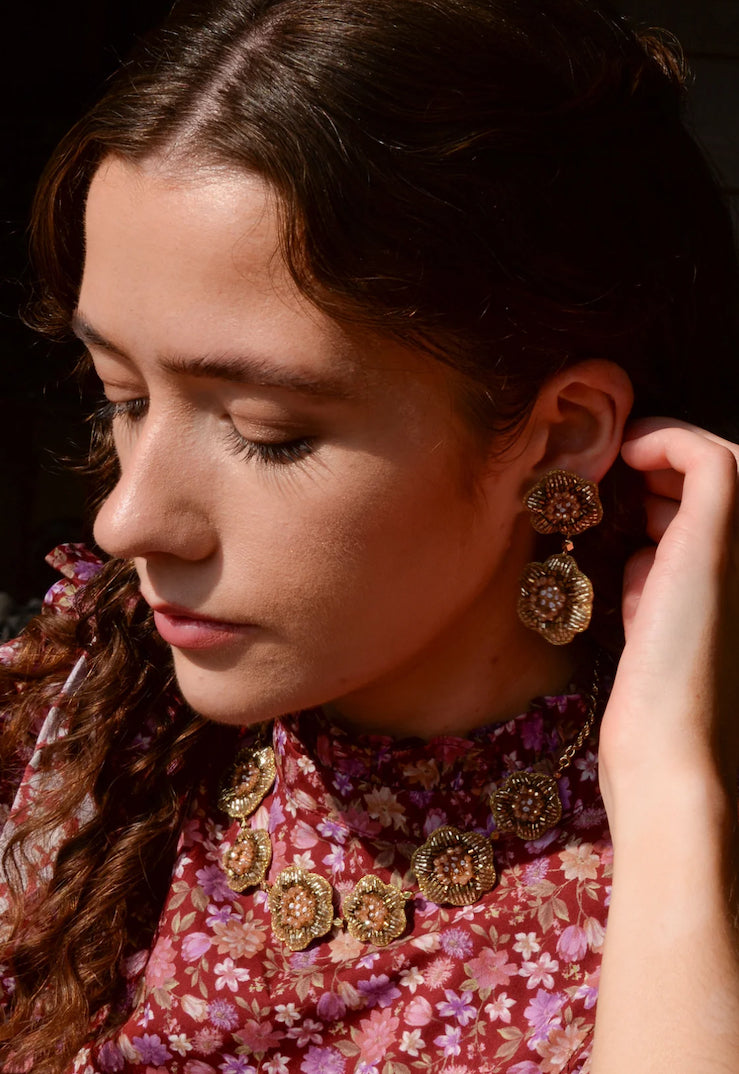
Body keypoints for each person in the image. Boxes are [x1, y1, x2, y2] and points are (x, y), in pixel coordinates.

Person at [1, 0, 738, 1071]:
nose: (126, 519)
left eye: (270, 434)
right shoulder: (73, 718)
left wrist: (671, 795)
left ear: (560, 436)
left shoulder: (686, 861)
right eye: (120, 396)